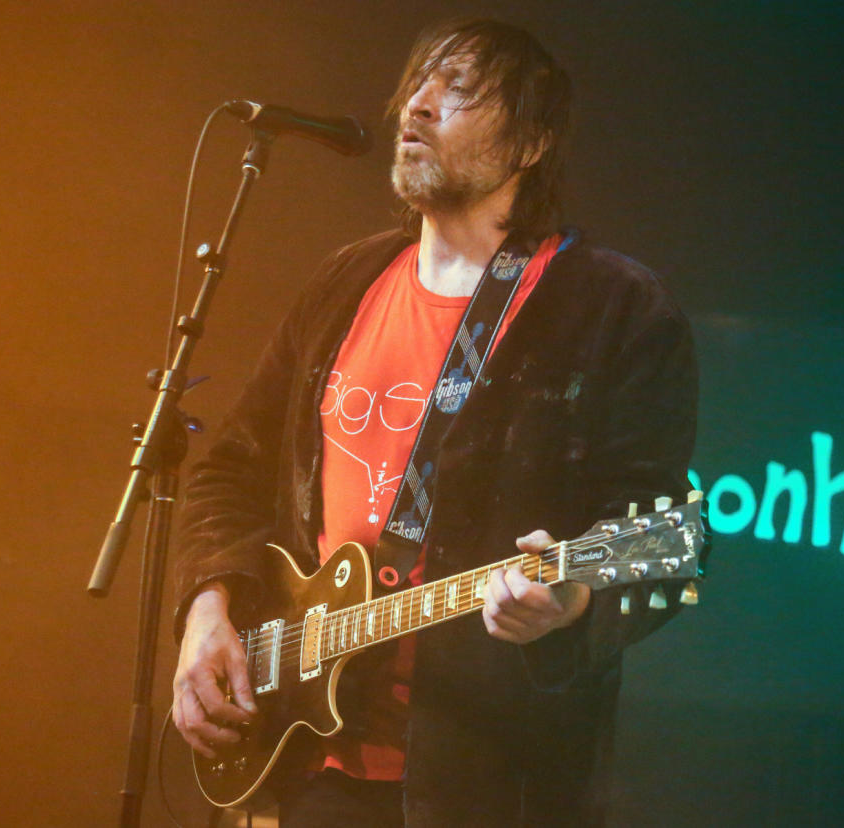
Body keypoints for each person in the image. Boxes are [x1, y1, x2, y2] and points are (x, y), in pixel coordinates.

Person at [171, 17, 699, 827]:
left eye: (457, 93)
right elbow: (231, 467)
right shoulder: (348, 280)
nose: (415, 107)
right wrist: (209, 609)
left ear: (529, 143)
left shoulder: (611, 308)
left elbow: (661, 546)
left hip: (488, 781)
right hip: (307, 764)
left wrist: (574, 603)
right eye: (417, 85)